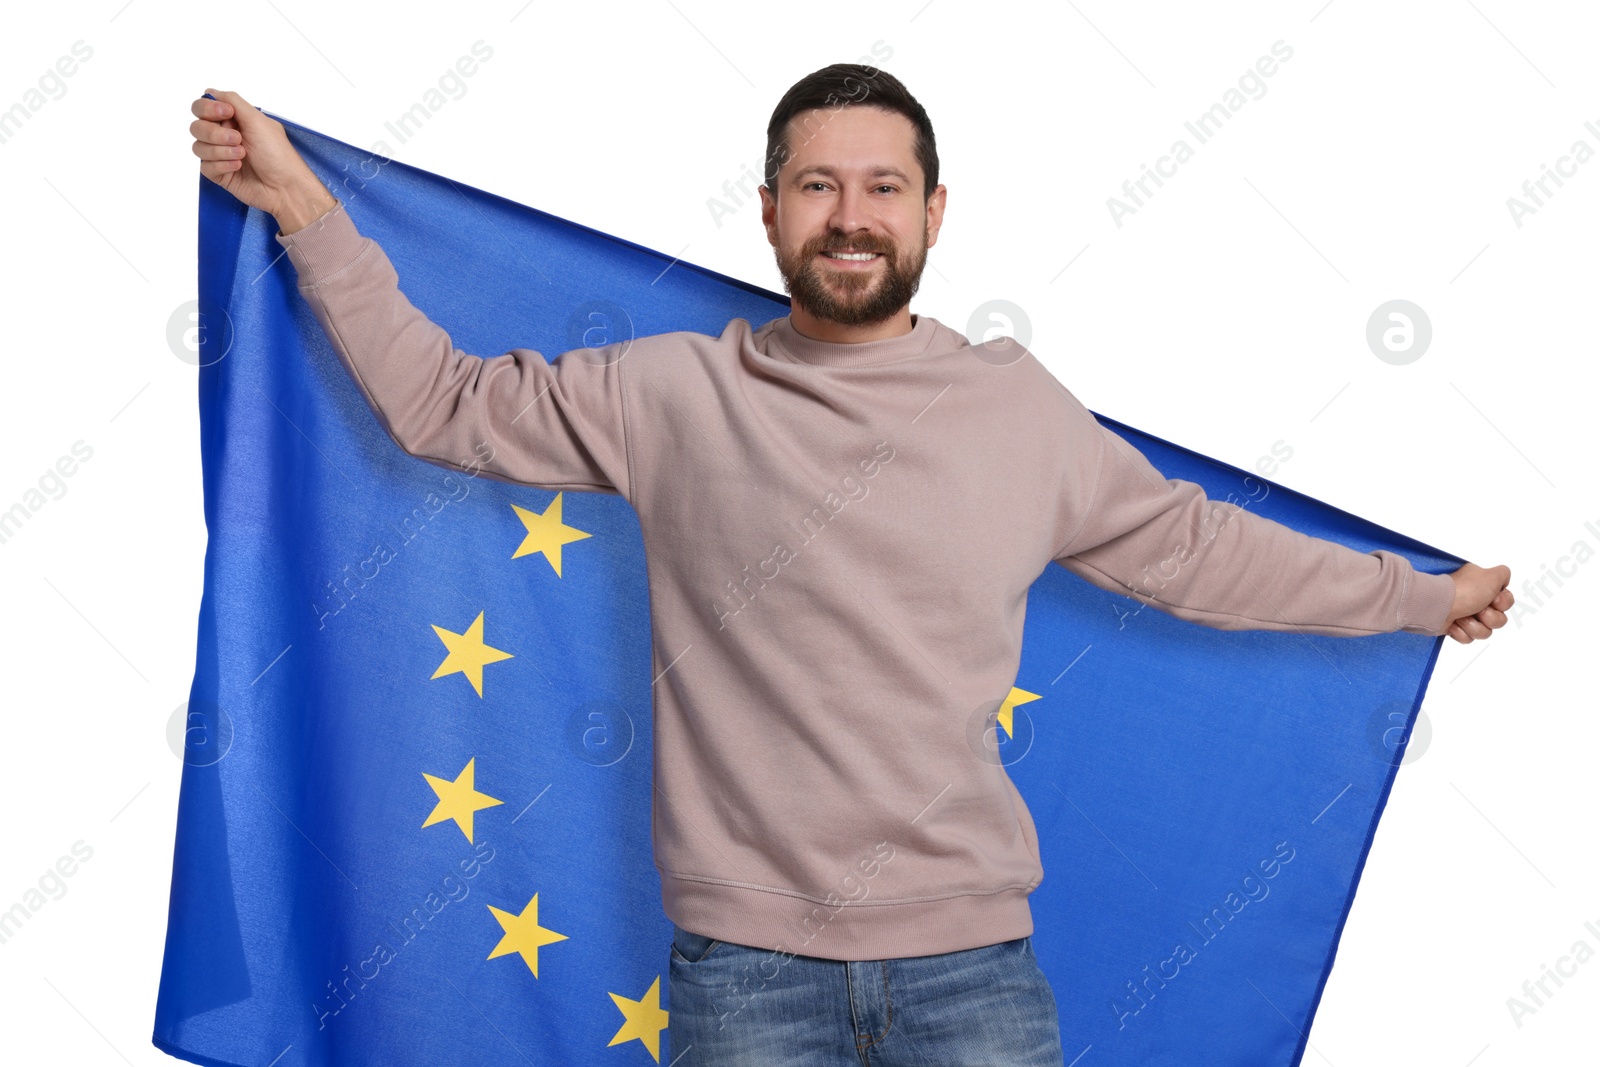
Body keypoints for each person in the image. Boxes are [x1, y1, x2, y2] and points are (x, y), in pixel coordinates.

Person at [188, 65, 1513, 1066]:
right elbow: (443, 404)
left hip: (974, 972)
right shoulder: (671, 395)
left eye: (883, 187)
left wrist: (1418, 598)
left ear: (935, 213)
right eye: (818, 186)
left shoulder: (1016, 411)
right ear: (768, 213)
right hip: (744, 980)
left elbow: (1196, 552)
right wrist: (303, 202)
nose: (851, 216)